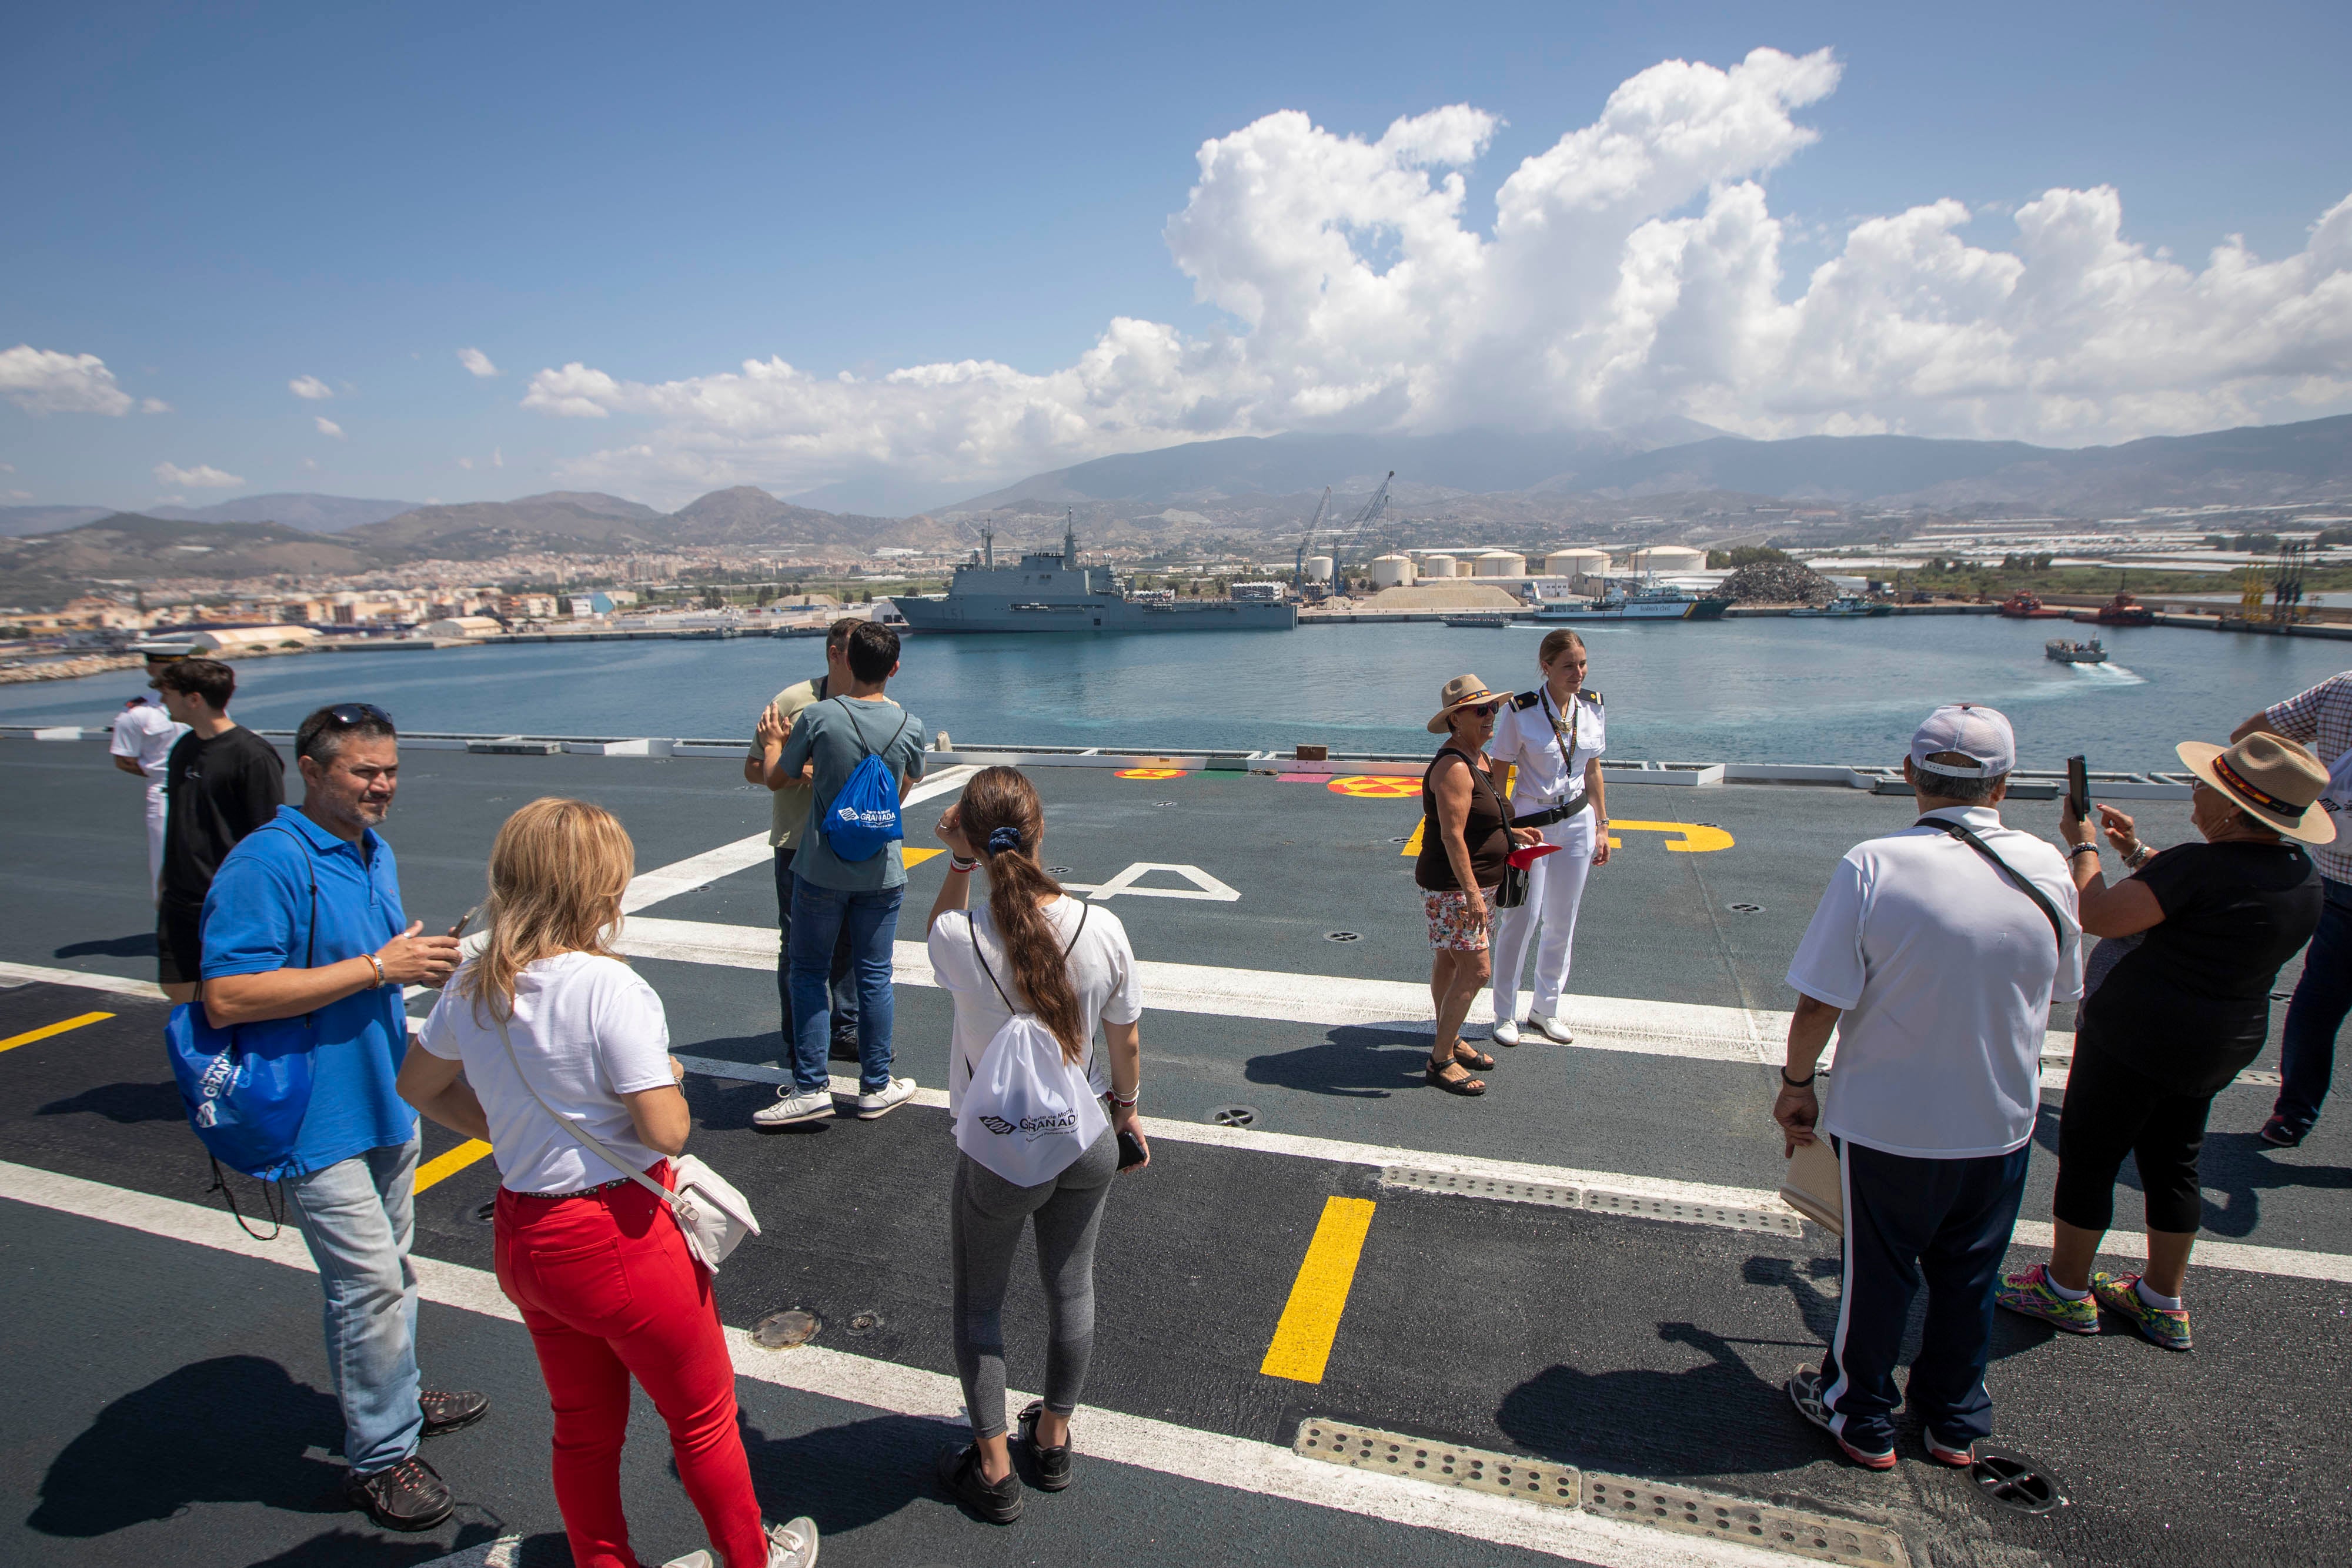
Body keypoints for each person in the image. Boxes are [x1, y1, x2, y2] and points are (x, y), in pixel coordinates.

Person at [397, 798, 817, 1568]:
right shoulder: (608, 986)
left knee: (582, 1427)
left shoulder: (472, 981)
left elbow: (419, 1085)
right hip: (619, 1236)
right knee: (703, 1419)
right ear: (598, 886)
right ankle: (750, 1557)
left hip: (526, 1231)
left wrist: (512, 1130)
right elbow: (667, 1130)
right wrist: (671, 1076)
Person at [198, 703, 485, 1530]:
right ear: (311, 770)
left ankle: (391, 1394)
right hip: (310, 1115)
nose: (381, 784)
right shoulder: (267, 863)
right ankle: (380, 1457)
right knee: (366, 1284)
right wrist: (375, 966)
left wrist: (413, 966)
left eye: (389, 769)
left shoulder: (371, 848)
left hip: (384, 1094)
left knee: (392, 1266)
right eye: (363, 770)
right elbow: (228, 994)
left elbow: (372, 966)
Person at [1776, 704, 2081, 1470]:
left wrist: (1796, 1082)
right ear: (2005, 782)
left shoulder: (1873, 862)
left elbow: (1820, 1000)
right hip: (2003, 1119)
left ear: (1911, 773)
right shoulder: (2048, 865)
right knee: (1970, 1280)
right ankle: (1953, 1421)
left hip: (1891, 1124)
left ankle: (1862, 1416)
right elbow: (2060, 992)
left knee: (1879, 1279)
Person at [1997, 733, 2327, 1352]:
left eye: (2206, 786)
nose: (2195, 793)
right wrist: (2138, 852)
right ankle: (2161, 1299)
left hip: (2137, 1035)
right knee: (2174, 1160)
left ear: (2233, 810)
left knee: (2091, 1154)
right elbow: (2207, 904)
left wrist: (2086, 845)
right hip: (2219, 1043)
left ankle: (2064, 1290)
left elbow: (2098, 914)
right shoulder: (2298, 875)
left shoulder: (2196, 867)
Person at [922, 767, 1146, 1523]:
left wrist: (958, 862)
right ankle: (1050, 1438)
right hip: (1084, 1138)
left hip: (997, 1153)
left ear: (974, 841)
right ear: (1041, 830)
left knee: (979, 1306)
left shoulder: (960, 938)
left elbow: (937, 927)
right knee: (1070, 1289)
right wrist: (1129, 1117)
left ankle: (991, 1469)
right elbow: (1128, 1041)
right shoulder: (1103, 927)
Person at [752, 620, 927, 1128]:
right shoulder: (909, 724)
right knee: (874, 976)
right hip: (882, 871)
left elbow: (775, 779)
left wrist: (770, 742)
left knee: (807, 971)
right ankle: (876, 1085)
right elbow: (900, 791)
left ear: (846, 661)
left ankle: (810, 1087)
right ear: (894, 668)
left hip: (820, 868)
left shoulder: (819, 716)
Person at [2230, 677, 2352, 1146]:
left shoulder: (2340, 689)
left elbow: (2249, 736)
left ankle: (2293, 1113)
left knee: (2319, 1001)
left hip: (2337, 871)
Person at [1414, 673, 1542, 1097]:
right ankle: (1440, 1060)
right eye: (1481, 711)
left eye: (1494, 709)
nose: (1492, 717)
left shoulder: (1479, 758)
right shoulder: (1453, 766)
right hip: (1455, 886)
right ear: (1456, 720)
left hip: (1475, 882)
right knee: (1478, 968)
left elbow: (1485, 817)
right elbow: (1452, 835)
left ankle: (1447, 1039)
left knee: (1450, 963)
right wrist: (1470, 891)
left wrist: (1514, 835)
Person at [1485, 628, 1610, 1045]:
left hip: (1577, 822)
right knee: (1522, 917)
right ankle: (1505, 1012)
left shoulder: (1592, 708)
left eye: (1583, 663)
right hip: (1530, 823)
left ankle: (1545, 1008)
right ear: (1546, 667)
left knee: (1563, 920)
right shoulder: (1521, 712)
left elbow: (1592, 769)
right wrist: (1504, 828)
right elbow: (1499, 773)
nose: (1578, 672)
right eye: (1569, 665)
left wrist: (1603, 825)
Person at [744, 617, 860, 1062]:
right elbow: (754, 768)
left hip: (852, 839)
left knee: (849, 942)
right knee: (796, 946)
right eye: (857, 648)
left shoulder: (871, 701)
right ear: (835, 654)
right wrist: (809, 772)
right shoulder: (792, 702)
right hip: (798, 842)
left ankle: (845, 1030)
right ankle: (798, 1035)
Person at [154, 656, 284, 1004]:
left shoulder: (252, 755)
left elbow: (269, 833)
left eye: (167, 694)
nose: (161, 701)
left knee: (232, 997)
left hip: (227, 898)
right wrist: (166, 878)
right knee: (177, 987)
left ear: (194, 699)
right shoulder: (184, 749)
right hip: (180, 896)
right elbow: (181, 818)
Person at [111, 647, 190, 899]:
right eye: (166, 668)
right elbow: (124, 761)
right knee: (166, 864)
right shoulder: (137, 714)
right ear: (150, 670)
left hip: (208, 789)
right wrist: (162, 775)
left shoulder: (207, 705)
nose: (173, 674)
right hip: (165, 794)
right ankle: (169, 929)